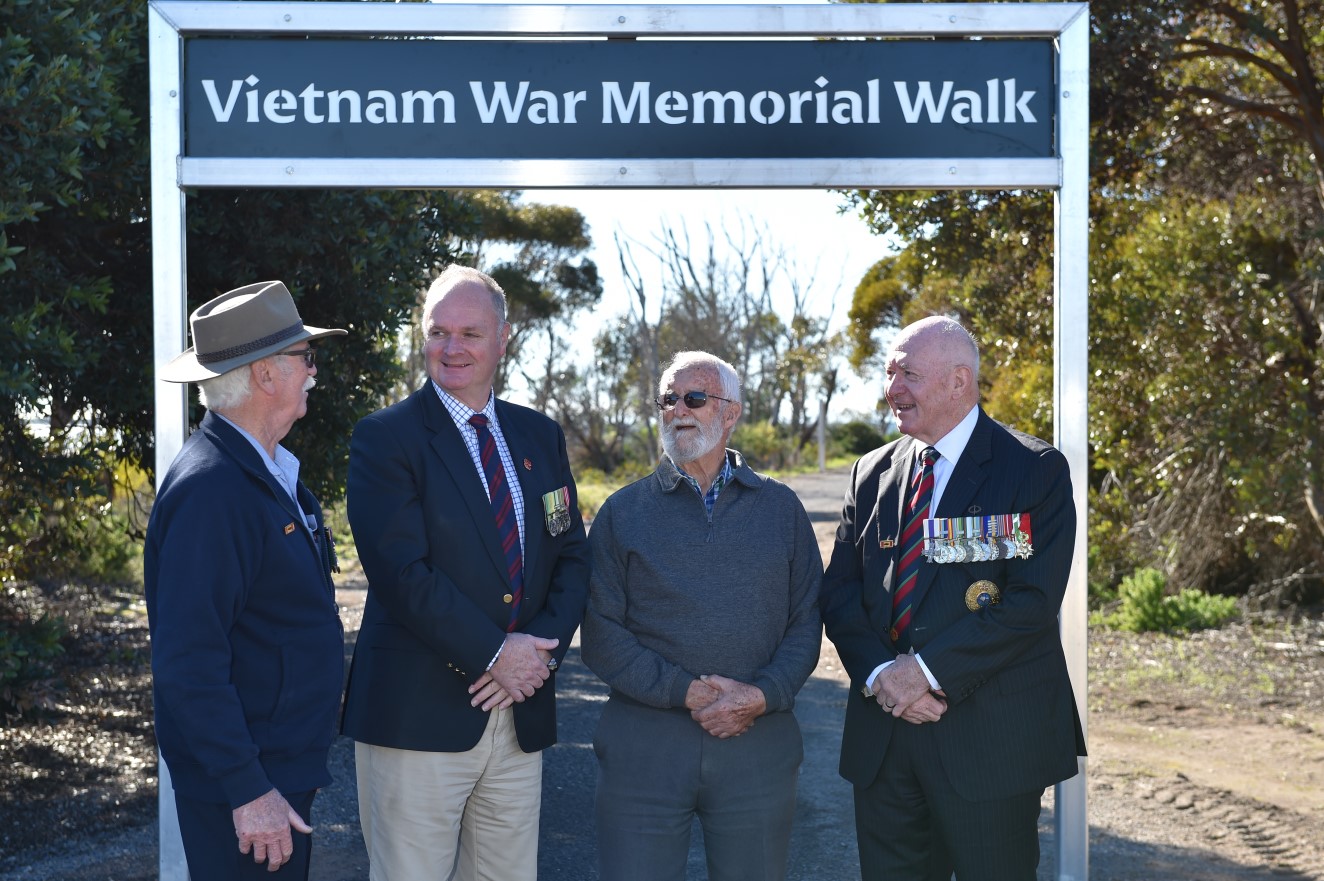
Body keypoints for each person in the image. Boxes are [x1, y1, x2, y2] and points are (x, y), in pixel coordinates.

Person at [341, 264, 591, 881]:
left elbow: (572, 556)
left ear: (503, 339)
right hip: (416, 718)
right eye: (438, 332)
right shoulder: (385, 438)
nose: (452, 348)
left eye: (471, 334)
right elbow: (402, 574)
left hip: (519, 709)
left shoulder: (539, 434)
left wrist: (535, 662)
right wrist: (492, 654)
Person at [819, 315, 1086, 881]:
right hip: (886, 739)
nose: (892, 389)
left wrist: (924, 673)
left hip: (989, 743)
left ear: (959, 381)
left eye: (907, 373)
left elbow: (1030, 603)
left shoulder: (1032, 469)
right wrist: (882, 678)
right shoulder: (872, 472)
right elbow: (840, 594)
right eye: (890, 373)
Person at [581, 351, 822, 881]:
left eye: (694, 398)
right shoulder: (623, 512)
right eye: (668, 399)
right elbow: (600, 632)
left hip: (756, 742)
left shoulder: (781, 509)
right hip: (644, 745)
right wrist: (689, 692)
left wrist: (759, 696)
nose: (678, 410)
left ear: (730, 412)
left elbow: (807, 621)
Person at [145, 280, 348, 879]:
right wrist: (248, 789)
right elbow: (188, 660)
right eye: (304, 358)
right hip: (254, 789)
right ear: (265, 375)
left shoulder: (259, 470)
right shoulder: (212, 489)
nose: (312, 372)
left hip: (273, 773)